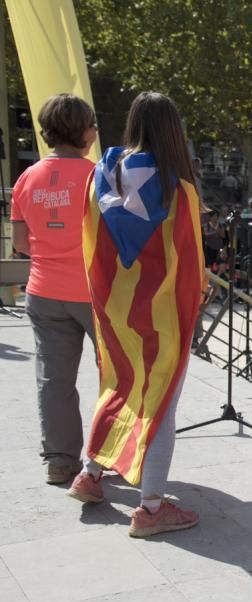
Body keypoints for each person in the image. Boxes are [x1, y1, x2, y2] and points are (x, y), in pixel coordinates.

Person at [68, 92, 206, 538]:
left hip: (113, 309)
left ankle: (90, 475)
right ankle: (150, 508)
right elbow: (191, 266)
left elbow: (89, 244)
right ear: (173, 131)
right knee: (160, 402)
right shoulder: (178, 191)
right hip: (162, 315)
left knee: (116, 386)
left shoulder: (99, 178)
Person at [10, 94, 99, 485]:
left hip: (44, 291)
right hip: (95, 293)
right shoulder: (97, 176)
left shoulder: (26, 178)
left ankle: (60, 461)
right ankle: (106, 456)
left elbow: (20, 243)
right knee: (116, 377)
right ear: (82, 131)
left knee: (54, 379)